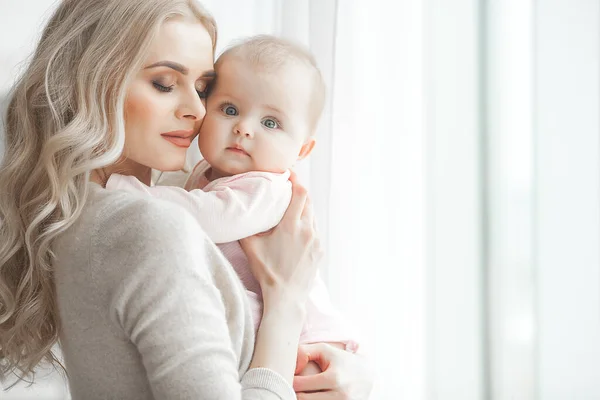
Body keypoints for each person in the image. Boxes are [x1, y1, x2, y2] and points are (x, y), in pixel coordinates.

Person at [0, 1, 372, 399]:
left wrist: (353, 371)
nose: (197, 110)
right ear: (90, 81)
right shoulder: (154, 226)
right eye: (164, 83)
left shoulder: (80, 216)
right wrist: (286, 303)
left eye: (202, 89)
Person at [106, 35, 360, 375]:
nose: (243, 128)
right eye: (229, 110)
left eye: (270, 123)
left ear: (301, 151)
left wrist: (131, 191)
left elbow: (205, 217)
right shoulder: (204, 172)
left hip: (309, 339)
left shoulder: (268, 189)